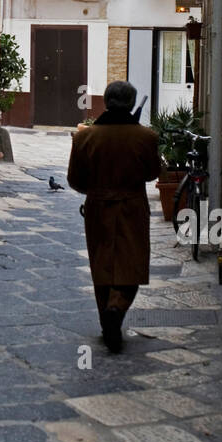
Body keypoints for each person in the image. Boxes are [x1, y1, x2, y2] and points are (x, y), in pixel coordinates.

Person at [66, 80, 160, 352]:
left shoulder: (85, 137)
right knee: (132, 263)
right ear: (131, 104)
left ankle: (108, 321)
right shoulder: (146, 138)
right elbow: (152, 173)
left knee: (102, 265)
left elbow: (75, 179)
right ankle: (117, 309)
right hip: (132, 206)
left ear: (106, 102)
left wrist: (97, 190)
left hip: (97, 207)